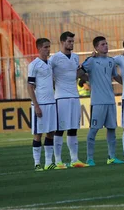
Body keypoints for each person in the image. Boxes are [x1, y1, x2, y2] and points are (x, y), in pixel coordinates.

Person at [80, 36, 124, 166]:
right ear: (96, 48)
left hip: (110, 100)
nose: (106, 46)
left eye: (106, 43)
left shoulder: (111, 61)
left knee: (111, 129)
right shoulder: (91, 61)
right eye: (102, 44)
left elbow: (115, 76)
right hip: (98, 101)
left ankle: (111, 157)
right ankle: (89, 159)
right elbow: (80, 73)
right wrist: (85, 76)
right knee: (94, 130)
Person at [48, 31, 87, 168]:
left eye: (72, 41)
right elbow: (48, 76)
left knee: (73, 128)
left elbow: (77, 74)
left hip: (75, 97)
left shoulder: (75, 57)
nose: (71, 44)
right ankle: (58, 160)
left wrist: (85, 71)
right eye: (69, 41)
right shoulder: (55, 58)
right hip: (61, 98)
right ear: (62, 42)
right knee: (59, 129)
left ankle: (74, 159)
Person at [28, 38, 62, 171]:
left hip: (51, 103)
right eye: (46, 47)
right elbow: (30, 86)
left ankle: (48, 162)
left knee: (50, 133)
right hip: (40, 104)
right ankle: (37, 163)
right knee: (38, 134)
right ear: (39, 48)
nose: (48, 49)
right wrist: (36, 105)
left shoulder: (49, 64)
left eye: (49, 46)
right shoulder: (34, 65)